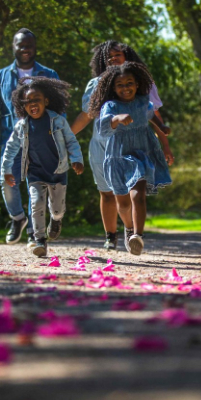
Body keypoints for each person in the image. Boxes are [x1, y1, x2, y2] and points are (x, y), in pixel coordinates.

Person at [70, 41, 172, 250]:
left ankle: (133, 232)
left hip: (136, 147)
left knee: (134, 192)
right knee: (109, 193)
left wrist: (165, 144)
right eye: (108, 56)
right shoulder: (97, 85)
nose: (113, 59)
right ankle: (111, 235)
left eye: (117, 54)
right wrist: (67, 137)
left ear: (127, 57)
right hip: (105, 146)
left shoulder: (139, 84)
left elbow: (151, 114)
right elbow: (87, 115)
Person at [0, 28, 59, 244]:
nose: (25, 49)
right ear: (13, 47)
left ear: (35, 48)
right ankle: (18, 218)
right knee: (7, 181)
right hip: (11, 139)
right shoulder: (0, 77)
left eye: (29, 45)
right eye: (21, 45)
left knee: (37, 186)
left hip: (42, 140)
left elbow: (60, 108)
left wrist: (58, 136)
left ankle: (35, 233)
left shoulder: (49, 75)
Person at [1, 77, 85, 257]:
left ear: (46, 101)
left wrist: (77, 159)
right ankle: (39, 239)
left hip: (58, 172)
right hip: (35, 173)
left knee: (57, 208)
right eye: (28, 101)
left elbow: (71, 141)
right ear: (23, 105)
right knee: (36, 204)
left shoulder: (57, 121)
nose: (32, 104)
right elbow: (10, 148)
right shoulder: (22, 126)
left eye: (36, 99)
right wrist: (6, 171)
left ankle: (56, 220)